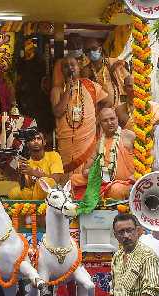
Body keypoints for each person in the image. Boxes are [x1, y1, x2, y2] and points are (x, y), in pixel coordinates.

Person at [51, 56, 109, 193]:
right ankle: (68, 199)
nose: (70, 68)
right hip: (67, 143)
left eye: (73, 65)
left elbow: (107, 101)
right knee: (67, 175)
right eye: (66, 66)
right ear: (62, 70)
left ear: (79, 67)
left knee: (87, 171)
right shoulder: (57, 90)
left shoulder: (90, 85)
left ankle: (87, 198)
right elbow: (58, 112)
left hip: (87, 139)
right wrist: (68, 90)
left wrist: (95, 116)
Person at [74, 107, 137, 201]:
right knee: (74, 179)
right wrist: (96, 173)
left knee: (116, 189)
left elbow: (146, 157)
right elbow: (85, 170)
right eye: (105, 120)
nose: (110, 123)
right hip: (104, 181)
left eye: (112, 119)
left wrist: (136, 176)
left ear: (117, 118)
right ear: (100, 123)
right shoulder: (99, 143)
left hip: (127, 182)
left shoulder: (129, 135)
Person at [9, 128, 66, 200]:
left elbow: (56, 179)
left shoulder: (54, 155)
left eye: (38, 139)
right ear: (27, 143)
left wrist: (34, 172)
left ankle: (37, 208)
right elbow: (26, 185)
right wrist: (21, 174)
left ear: (44, 142)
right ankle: (31, 206)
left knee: (42, 182)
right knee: (14, 192)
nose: (36, 141)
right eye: (32, 139)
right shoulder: (25, 159)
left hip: (51, 193)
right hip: (33, 192)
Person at [81, 37, 128, 108]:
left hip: (120, 106)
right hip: (101, 111)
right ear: (85, 54)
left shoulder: (113, 62)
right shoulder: (86, 70)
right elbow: (87, 93)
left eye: (94, 48)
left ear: (100, 49)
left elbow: (127, 81)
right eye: (88, 50)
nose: (91, 52)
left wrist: (112, 72)